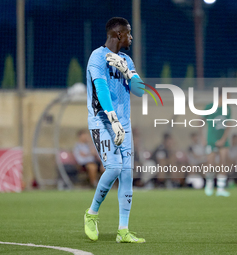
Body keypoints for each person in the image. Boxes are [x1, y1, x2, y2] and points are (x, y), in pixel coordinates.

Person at [84, 17, 145, 243]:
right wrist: (113, 119)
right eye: (128, 33)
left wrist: (127, 72)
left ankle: (123, 230)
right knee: (114, 167)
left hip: (124, 125)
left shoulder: (127, 59)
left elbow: (140, 91)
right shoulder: (97, 57)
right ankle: (91, 214)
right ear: (118, 35)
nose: (131, 37)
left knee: (127, 173)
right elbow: (100, 90)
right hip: (102, 122)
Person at [202, 87, 231, 197]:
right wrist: (203, 138)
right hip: (211, 140)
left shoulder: (227, 108)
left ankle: (221, 188)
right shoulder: (210, 107)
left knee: (223, 162)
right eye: (228, 96)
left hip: (223, 141)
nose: (229, 98)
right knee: (211, 163)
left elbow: (228, 125)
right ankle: (209, 185)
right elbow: (200, 122)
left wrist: (223, 139)